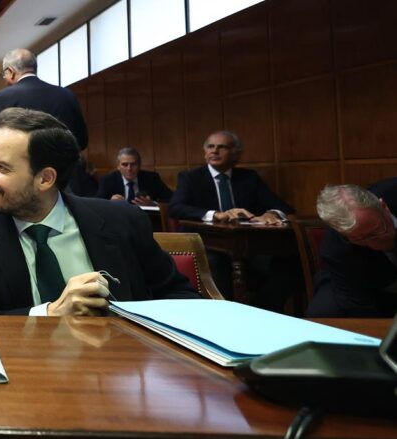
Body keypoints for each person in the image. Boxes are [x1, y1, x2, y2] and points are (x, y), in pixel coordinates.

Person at [0, 108, 197, 316]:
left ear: (45, 179)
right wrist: (50, 312)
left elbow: (180, 296)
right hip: (24, 369)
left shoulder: (122, 221)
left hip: (121, 367)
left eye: (1, 167)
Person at [168, 130, 294, 305]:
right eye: (210, 147)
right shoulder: (191, 177)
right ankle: (225, 314)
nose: (214, 151)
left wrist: (271, 213)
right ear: (205, 152)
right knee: (216, 265)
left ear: (235, 154)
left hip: (245, 245)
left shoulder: (249, 177)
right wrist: (214, 214)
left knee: (283, 264)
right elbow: (175, 208)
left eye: (222, 147)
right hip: (206, 243)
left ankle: (261, 312)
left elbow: (284, 207)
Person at [308, 180, 397, 318]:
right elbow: (359, 306)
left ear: (383, 206)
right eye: (360, 240)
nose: (373, 244)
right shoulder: (336, 249)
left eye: (377, 231)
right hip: (372, 284)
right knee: (325, 312)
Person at [0, 48, 87, 150]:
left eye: (4, 74)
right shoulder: (67, 94)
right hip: (63, 167)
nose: (4, 79)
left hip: (21, 168)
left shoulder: (1, 98)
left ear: (11, 71)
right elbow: (82, 141)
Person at [96, 147, 173, 204]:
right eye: (125, 165)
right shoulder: (107, 180)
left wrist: (152, 203)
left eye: (133, 164)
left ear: (139, 165)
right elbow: (97, 204)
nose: (129, 169)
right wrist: (110, 203)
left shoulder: (152, 178)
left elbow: (172, 199)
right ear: (118, 166)